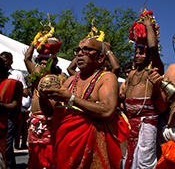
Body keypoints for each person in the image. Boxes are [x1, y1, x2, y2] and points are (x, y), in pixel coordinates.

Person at [39, 37, 130, 169]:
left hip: (93, 149)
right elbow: (50, 113)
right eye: (78, 50)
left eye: (87, 50)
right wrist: (42, 97)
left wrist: (71, 98)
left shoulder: (107, 78)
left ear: (100, 58)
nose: (80, 54)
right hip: (66, 147)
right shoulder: (69, 81)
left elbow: (107, 110)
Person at [123, 14, 166, 169]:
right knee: (126, 159)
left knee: (144, 163)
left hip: (147, 124)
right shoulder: (131, 75)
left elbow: (154, 49)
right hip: (129, 123)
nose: (137, 55)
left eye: (141, 52)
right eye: (136, 52)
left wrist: (148, 26)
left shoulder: (154, 71)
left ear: (149, 56)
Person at [24, 29, 62, 169]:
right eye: (40, 60)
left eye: (46, 60)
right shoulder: (35, 76)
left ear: (54, 61)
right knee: (34, 155)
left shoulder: (60, 78)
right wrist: (36, 42)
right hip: (34, 120)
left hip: (50, 120)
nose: (42, 63)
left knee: (50, 156)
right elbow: (27, 58)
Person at [0, 51, 28, 168]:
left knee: (6, 145)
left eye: (5, 60)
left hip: (8, 118)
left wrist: (2, 105)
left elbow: (23, 94)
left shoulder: (16, 76)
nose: (4, 63)